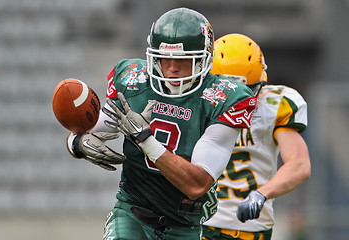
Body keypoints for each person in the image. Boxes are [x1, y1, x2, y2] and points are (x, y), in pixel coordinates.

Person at [66, 9, 256, 240]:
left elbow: (197, 184)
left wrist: (146, 141)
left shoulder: (223, 98)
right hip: (133, 213)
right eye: (165, 58)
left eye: (182, 60)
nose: (172, 67)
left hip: (185, 224)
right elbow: (94, 130)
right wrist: (76, 142)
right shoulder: (132, 80)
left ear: (204, 59)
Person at [202, 33, 311, 240]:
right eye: (230, 91)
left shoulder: (273, 105)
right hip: (198, 225)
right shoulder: (197, 103)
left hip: (250, 230)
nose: (237, 99)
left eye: (246, 91)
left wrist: (261, 194)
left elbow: (300, 164)